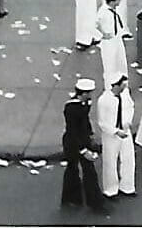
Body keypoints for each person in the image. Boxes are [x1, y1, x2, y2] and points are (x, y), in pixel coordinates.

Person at [61, 78, 107, 213]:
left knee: (83, 170)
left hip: (82, 139)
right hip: (73, 143)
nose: (91, 95)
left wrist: (90, 134)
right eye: (89, 92)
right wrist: (83, 150)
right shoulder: (71, 108)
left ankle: (74, 198)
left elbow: (84, 122)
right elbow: (73, 131)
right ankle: (92, 202)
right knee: (77, 169)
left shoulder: (84, 103)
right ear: (84, 93)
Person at [96, 73, 137, 199]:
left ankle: (127, 186)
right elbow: (102, 122)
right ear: (116, 85)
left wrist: (127, 122)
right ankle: (111, 189)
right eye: (123, 84)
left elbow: (131, 107)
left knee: (129, 159)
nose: (125, 86)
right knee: (110, 161)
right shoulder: (104, 100)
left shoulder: (125, 95)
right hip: (111, 135)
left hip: (125, 131)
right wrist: (115, 131)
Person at [96, 0, 129, 87]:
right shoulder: (103, 11)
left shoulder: (115, 10)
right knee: (110, 62)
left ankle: (123, 80)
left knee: (121, 59)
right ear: (112, 1)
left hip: (117, 38)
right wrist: (103, 34)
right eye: (117, 1)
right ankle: (110, 84)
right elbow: (95, 24)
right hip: (108, 41)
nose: (119, 2)